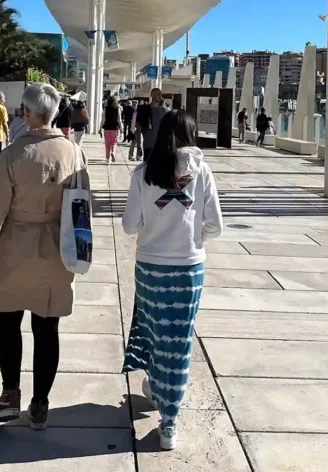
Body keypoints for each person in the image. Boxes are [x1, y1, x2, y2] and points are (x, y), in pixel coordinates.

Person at [0, 83, 90, 431]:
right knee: (47, 326)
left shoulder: (12, 155)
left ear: (26, 113)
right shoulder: (73, 153)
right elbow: (84, 205)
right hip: (56, 247)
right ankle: (40, 403)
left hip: (15, 248)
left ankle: (10, 394)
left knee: (8, 321)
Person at [122, 110, 223, 451]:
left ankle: (155, 384)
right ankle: (169, 422)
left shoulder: (142, 173)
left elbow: (129, 225)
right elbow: (215, 225)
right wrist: (191, 238)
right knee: (179, 343)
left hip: (150, 267)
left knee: (154, 330)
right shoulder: (202, 171)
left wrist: (156, 225)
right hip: (188, 269)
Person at [140, 88, 170, 154]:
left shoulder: (166, 111)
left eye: (161, 94)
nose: (160, 96)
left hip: (162, 147)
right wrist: (139, 146)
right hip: (148, 146)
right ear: (152, 95)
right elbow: (138, 129)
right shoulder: (145, 110)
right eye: (157, 94)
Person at [101, 95, 122, 162]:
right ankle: (113, 152)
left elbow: (103, 119)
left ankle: (107, 158)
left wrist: (100, 128)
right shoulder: (117, 108)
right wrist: (121, 128)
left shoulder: (106, 108)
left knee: (107, 143)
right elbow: (119, 120)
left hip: (107, 128)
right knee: (114, 142)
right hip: (115, 128)